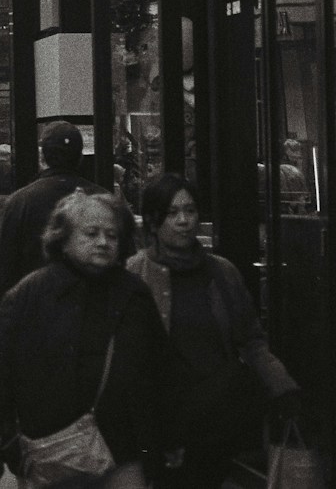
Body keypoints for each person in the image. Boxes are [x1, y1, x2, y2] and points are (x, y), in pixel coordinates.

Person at [0, 190, 166, 489]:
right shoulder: (30, 295)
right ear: (63, 238)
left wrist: (166, 442)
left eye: (111, 235)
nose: (103, 242)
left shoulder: (133, 295)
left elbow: (160, 370)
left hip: (124, 453)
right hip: (53, 452)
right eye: (91, 233)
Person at [126, 174, 302, 488]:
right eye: (172, 213)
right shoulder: (134, 274)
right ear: (153, 221)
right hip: (160, 420)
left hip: (215, 418)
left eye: (190, 211)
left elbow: (250, 339)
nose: (183, 221)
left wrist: (281, 386)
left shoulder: (221, 272)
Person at [0, 122, 123, 301]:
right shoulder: (105, 200)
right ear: (80, 157)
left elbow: (3, 278)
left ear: (42, 158)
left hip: (36, 315)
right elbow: (124, 263)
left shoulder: (18, 202)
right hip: (96, 313)